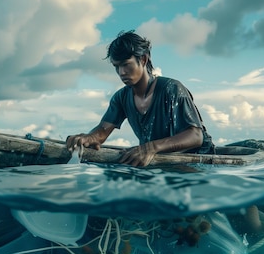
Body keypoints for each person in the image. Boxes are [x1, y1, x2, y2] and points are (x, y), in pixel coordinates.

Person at [66, 30, 214, 167]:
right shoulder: (121, 97)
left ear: (143, 60)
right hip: (159, 164)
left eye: (126, 65)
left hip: (198, 163)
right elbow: (102, 131)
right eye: (116, 66)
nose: (121, 72)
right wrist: (89, 138)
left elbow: (195, 136)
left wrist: (151, 147)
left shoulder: (172, 89)